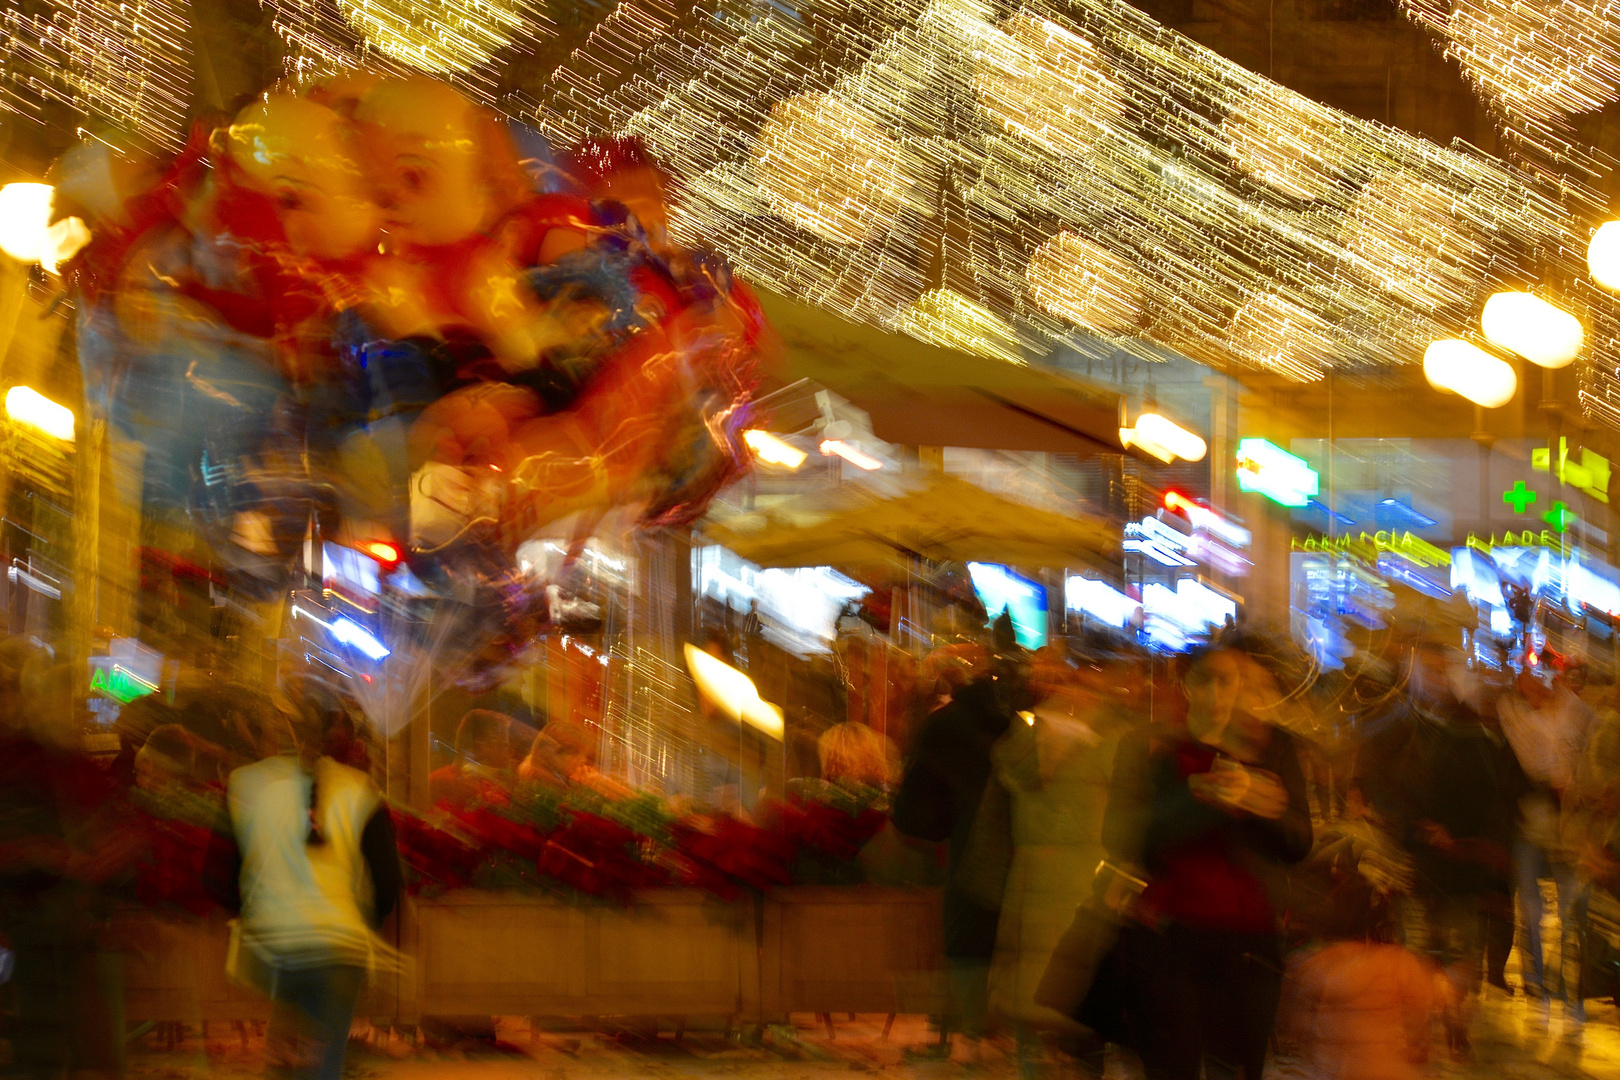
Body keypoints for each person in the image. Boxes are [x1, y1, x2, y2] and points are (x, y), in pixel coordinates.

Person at [1096, 638, 1312, 1080]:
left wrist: (1256, 802)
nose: (1218, 693)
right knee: (1171, 1067)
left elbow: (1298, 843)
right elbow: (1123, 837)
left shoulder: (1272, 751)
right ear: (1186, 685)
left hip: (1251, 945)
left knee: (1238, 1069)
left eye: (1228, 681)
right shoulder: (1148, 746)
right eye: (1205, 680)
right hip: (1170, 942)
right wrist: (1195, 796)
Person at [204, 698, 402, 1080]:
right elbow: (387, 883)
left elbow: (216, 877)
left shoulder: (246, 784)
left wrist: (255, 912)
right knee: (324, 1058)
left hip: (271, 950)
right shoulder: (362, 790)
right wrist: (365, 922)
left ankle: (286, 1061)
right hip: (339, 952)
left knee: (287, 1046)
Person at [892, 615, 1025, 1060]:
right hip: (1022, 853)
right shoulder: (1018, 726)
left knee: (965, 940)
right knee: (1011, 941)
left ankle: (967, 1034)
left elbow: (916, 805)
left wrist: (933, 829)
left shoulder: (943, 725)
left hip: (966, 851)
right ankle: (1019, 1039)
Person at [1497, 657, 1594, 1033]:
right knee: (1533, 915)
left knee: (1573, 918)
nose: (1539, 684)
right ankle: (1539, 993)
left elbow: (1594, 758)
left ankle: (1571, 997)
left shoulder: (1577, 714)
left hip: (1571, 829)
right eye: (1529, 681)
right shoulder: (1515, 719)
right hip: (1530, 827)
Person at [429, 709, 516, 807]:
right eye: (504, 745)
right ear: (483, 745)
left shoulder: (485, 781)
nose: (510, 752)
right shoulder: (467, 789)